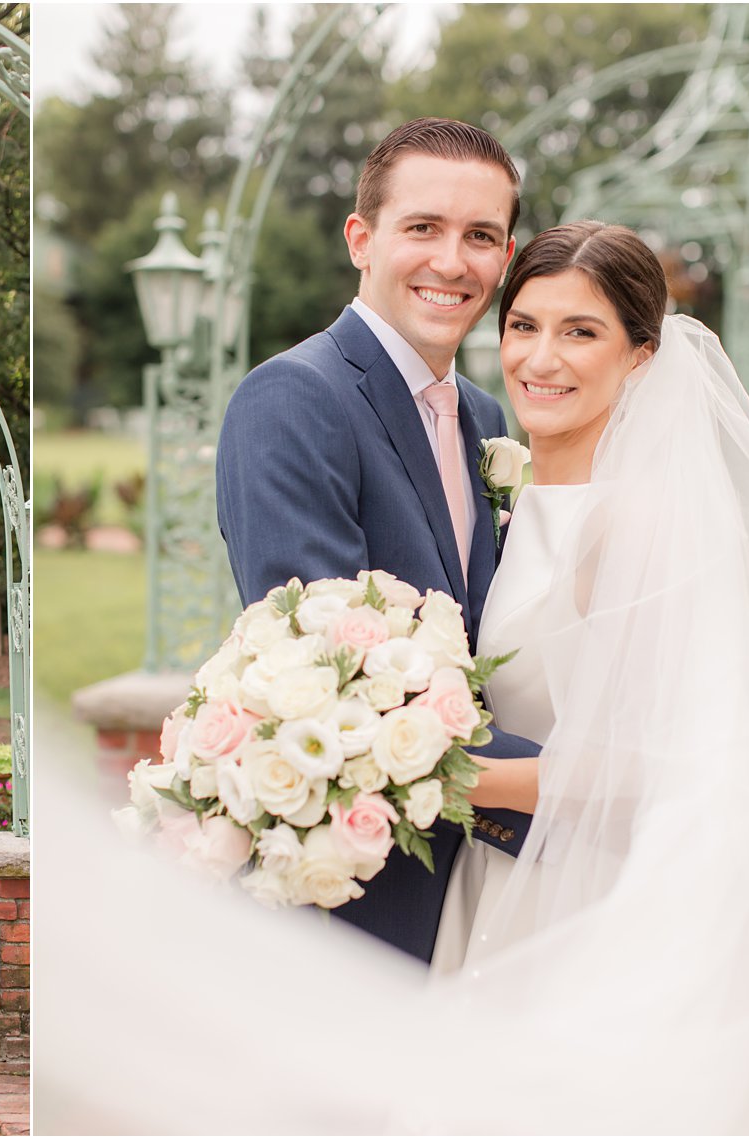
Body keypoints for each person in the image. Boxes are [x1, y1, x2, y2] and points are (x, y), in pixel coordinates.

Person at [43, 223, 749, 1134]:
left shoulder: (632, 527)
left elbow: (652, 768)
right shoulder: (513, 487)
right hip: (483, 884)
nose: (539, 358)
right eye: (523, 325)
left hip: (572, 902)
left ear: (641, 357)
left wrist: (402, 772)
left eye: (581, 332)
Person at [215, 118, 539, 961]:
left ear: (505, 260)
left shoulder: (485, 418)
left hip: (475, 893)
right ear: (362, 238)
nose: (451, 261)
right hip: (356, 899)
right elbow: (335, 679)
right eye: (423, 227)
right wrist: (580, 783)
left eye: (480, 236)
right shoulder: (293, 397)